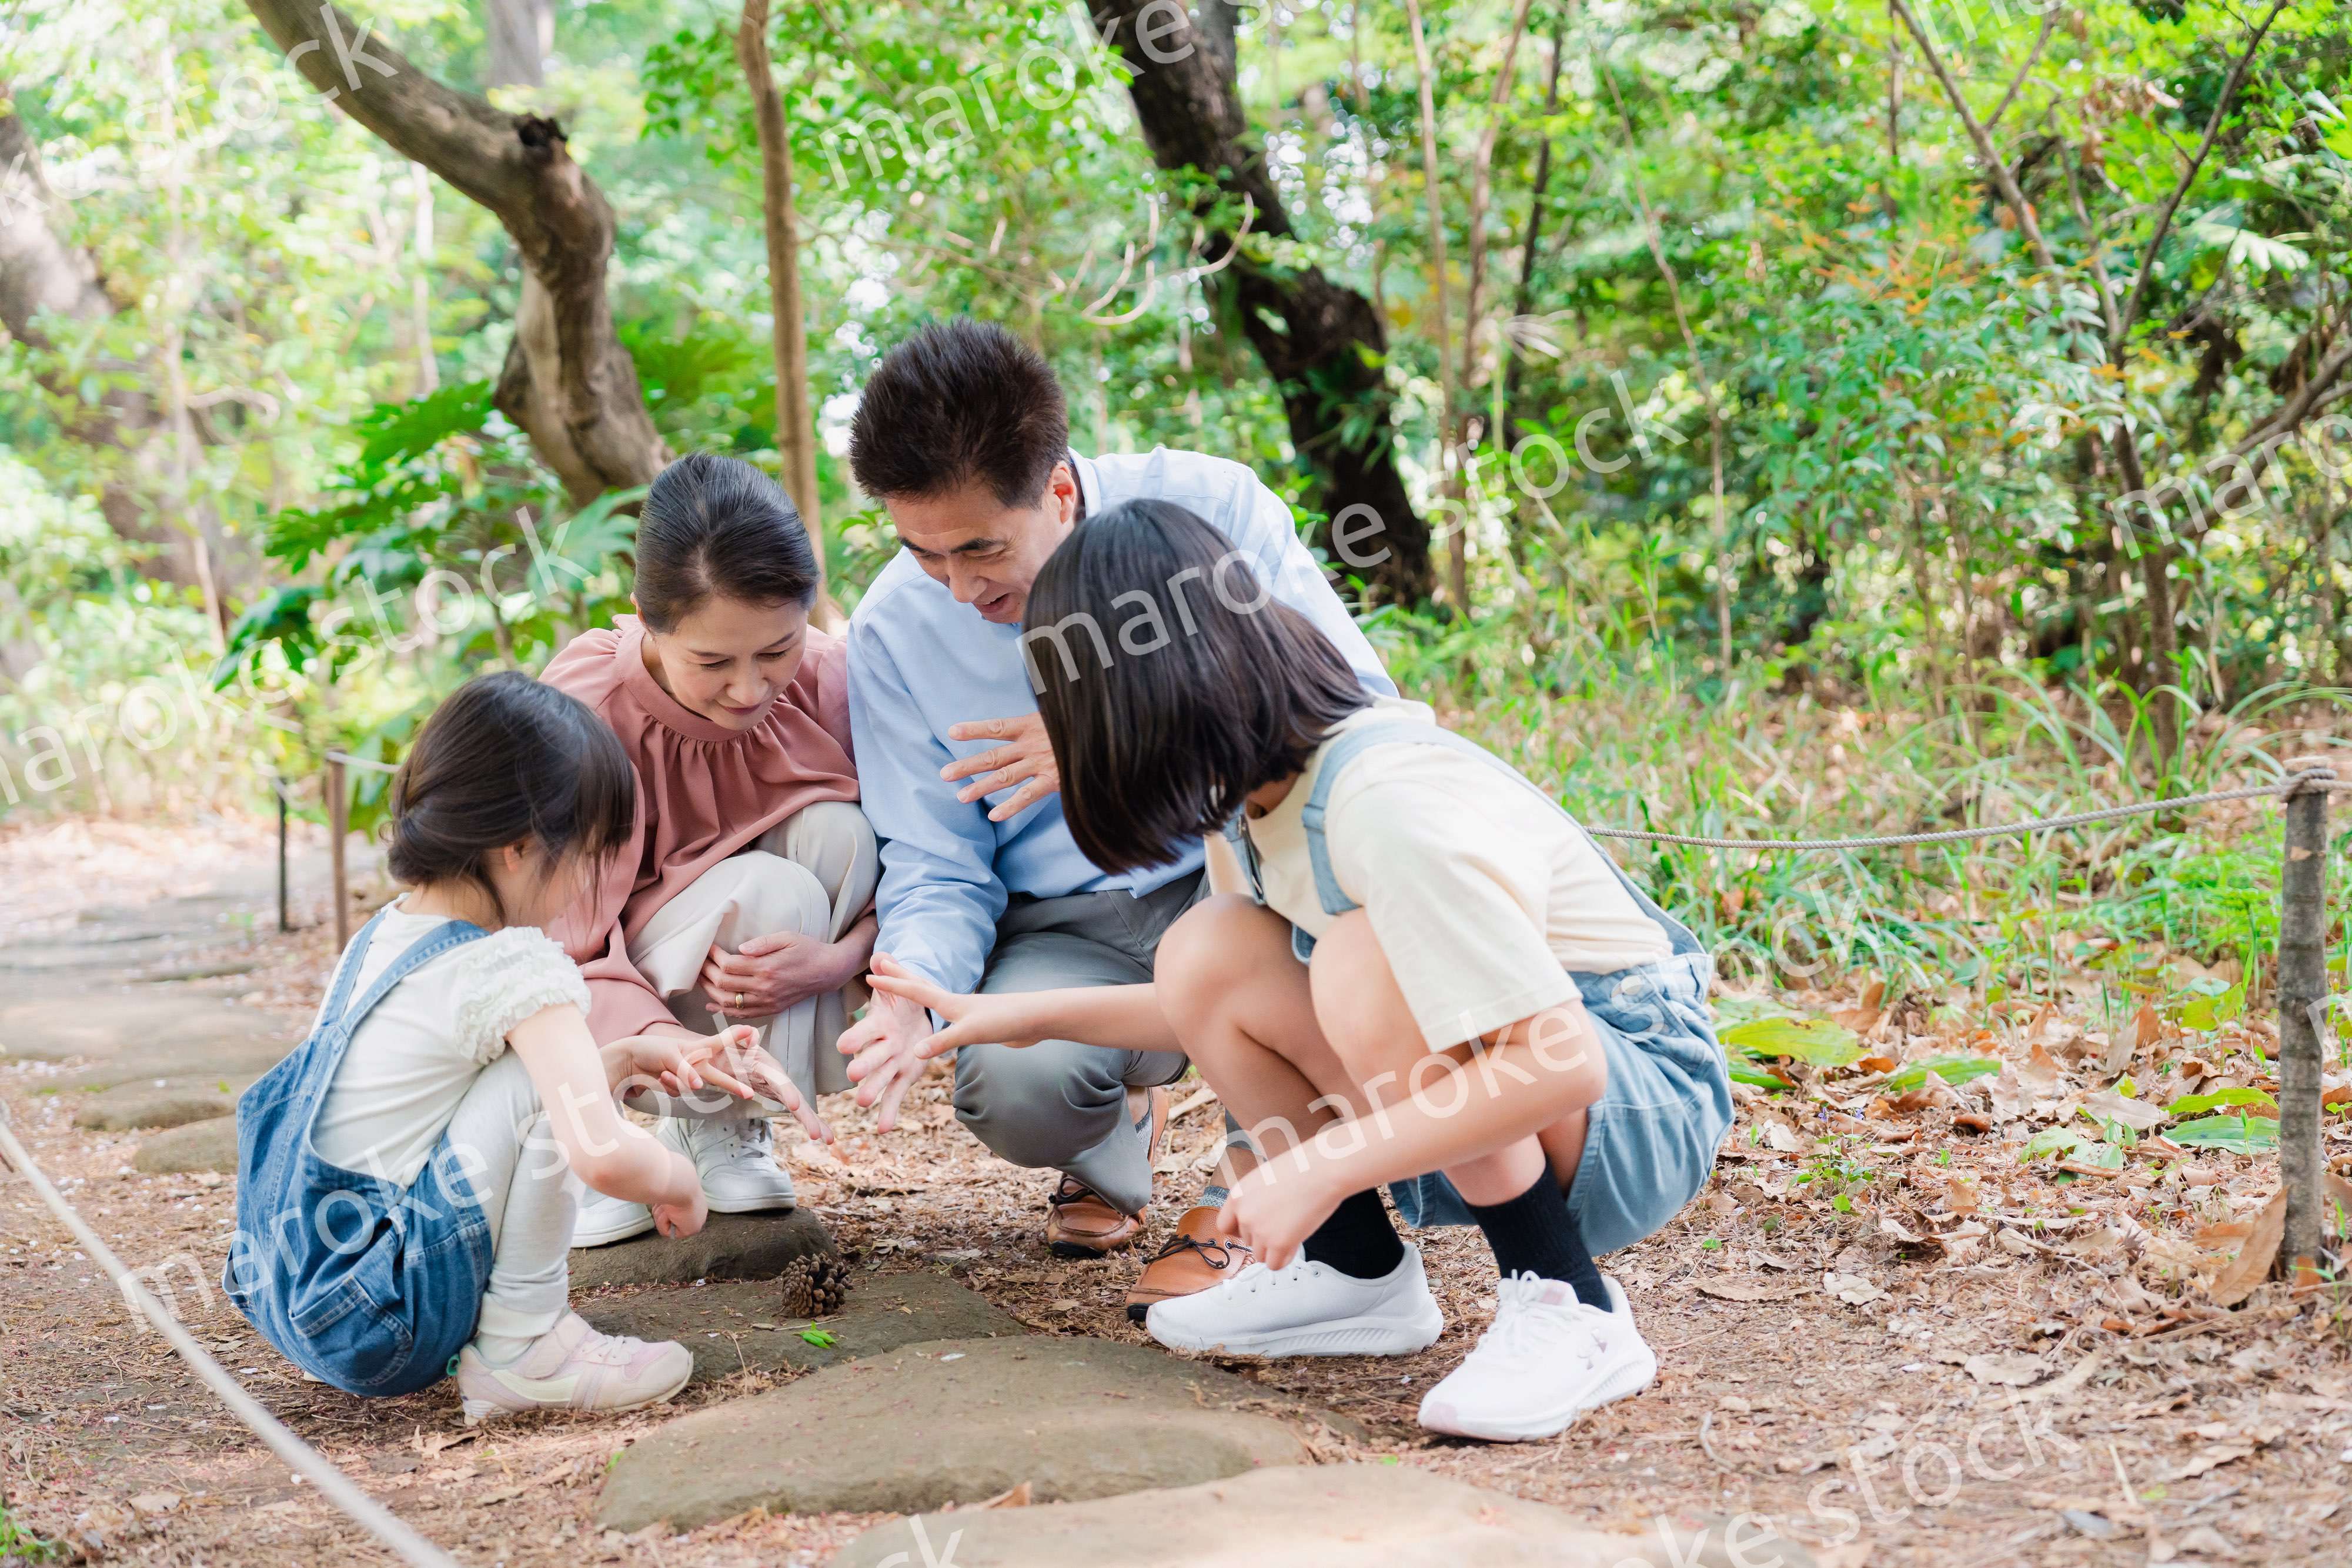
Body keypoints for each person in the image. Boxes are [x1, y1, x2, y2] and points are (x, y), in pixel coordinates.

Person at [867, 500, 1733, 1442]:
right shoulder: (1259, 795)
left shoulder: (1380, 802)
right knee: (1209, 946)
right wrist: (1006, 1017)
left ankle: (1571, 1301)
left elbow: (1562, 1061)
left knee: (1360, 959)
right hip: (1539, 1090)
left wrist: (1321, 1162)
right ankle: (1356, 1272)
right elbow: (1205, 1001)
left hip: (1638, 1102)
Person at [838, 319, 1395, 1309]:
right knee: (1016, 1090)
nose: (960, 588)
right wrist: (908, 992)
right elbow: (937, 860)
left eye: (980, 547)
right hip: (1066, 920)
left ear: (1057, 491)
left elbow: (1353, 712)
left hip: (1236, 875)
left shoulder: (1207, 507)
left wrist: (1114, 733)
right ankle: (1114, 1127)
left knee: (1326, 885)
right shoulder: (892, 627)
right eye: (925, 554)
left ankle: (1260, 1182)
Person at [223, 673, 792, 1423]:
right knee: (544, 1073)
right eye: (591, 856)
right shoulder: (518, 965)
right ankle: (527, 1350)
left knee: (541, 1069)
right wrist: (679, 1179)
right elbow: (599, 1154)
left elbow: (452, 1104)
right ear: (522, 849)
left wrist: (614, 1059)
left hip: (296, 1289)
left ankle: (516, 1345)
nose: (595, 883)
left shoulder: (386, 938)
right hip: (385, 1318)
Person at [543, 453, 876, 1246]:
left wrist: (838, 960)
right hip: (617, 988)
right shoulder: (588, 704)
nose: (752, 688)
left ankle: (730, 1127)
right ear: (648, 617)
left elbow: (915, 861)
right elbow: (558, 932)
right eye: (712, 661)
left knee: (842, 830)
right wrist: (665, 1048)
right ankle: (626, 1128)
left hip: (769, 986)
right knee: (771, 889)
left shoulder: (827, 679)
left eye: (776, 650)